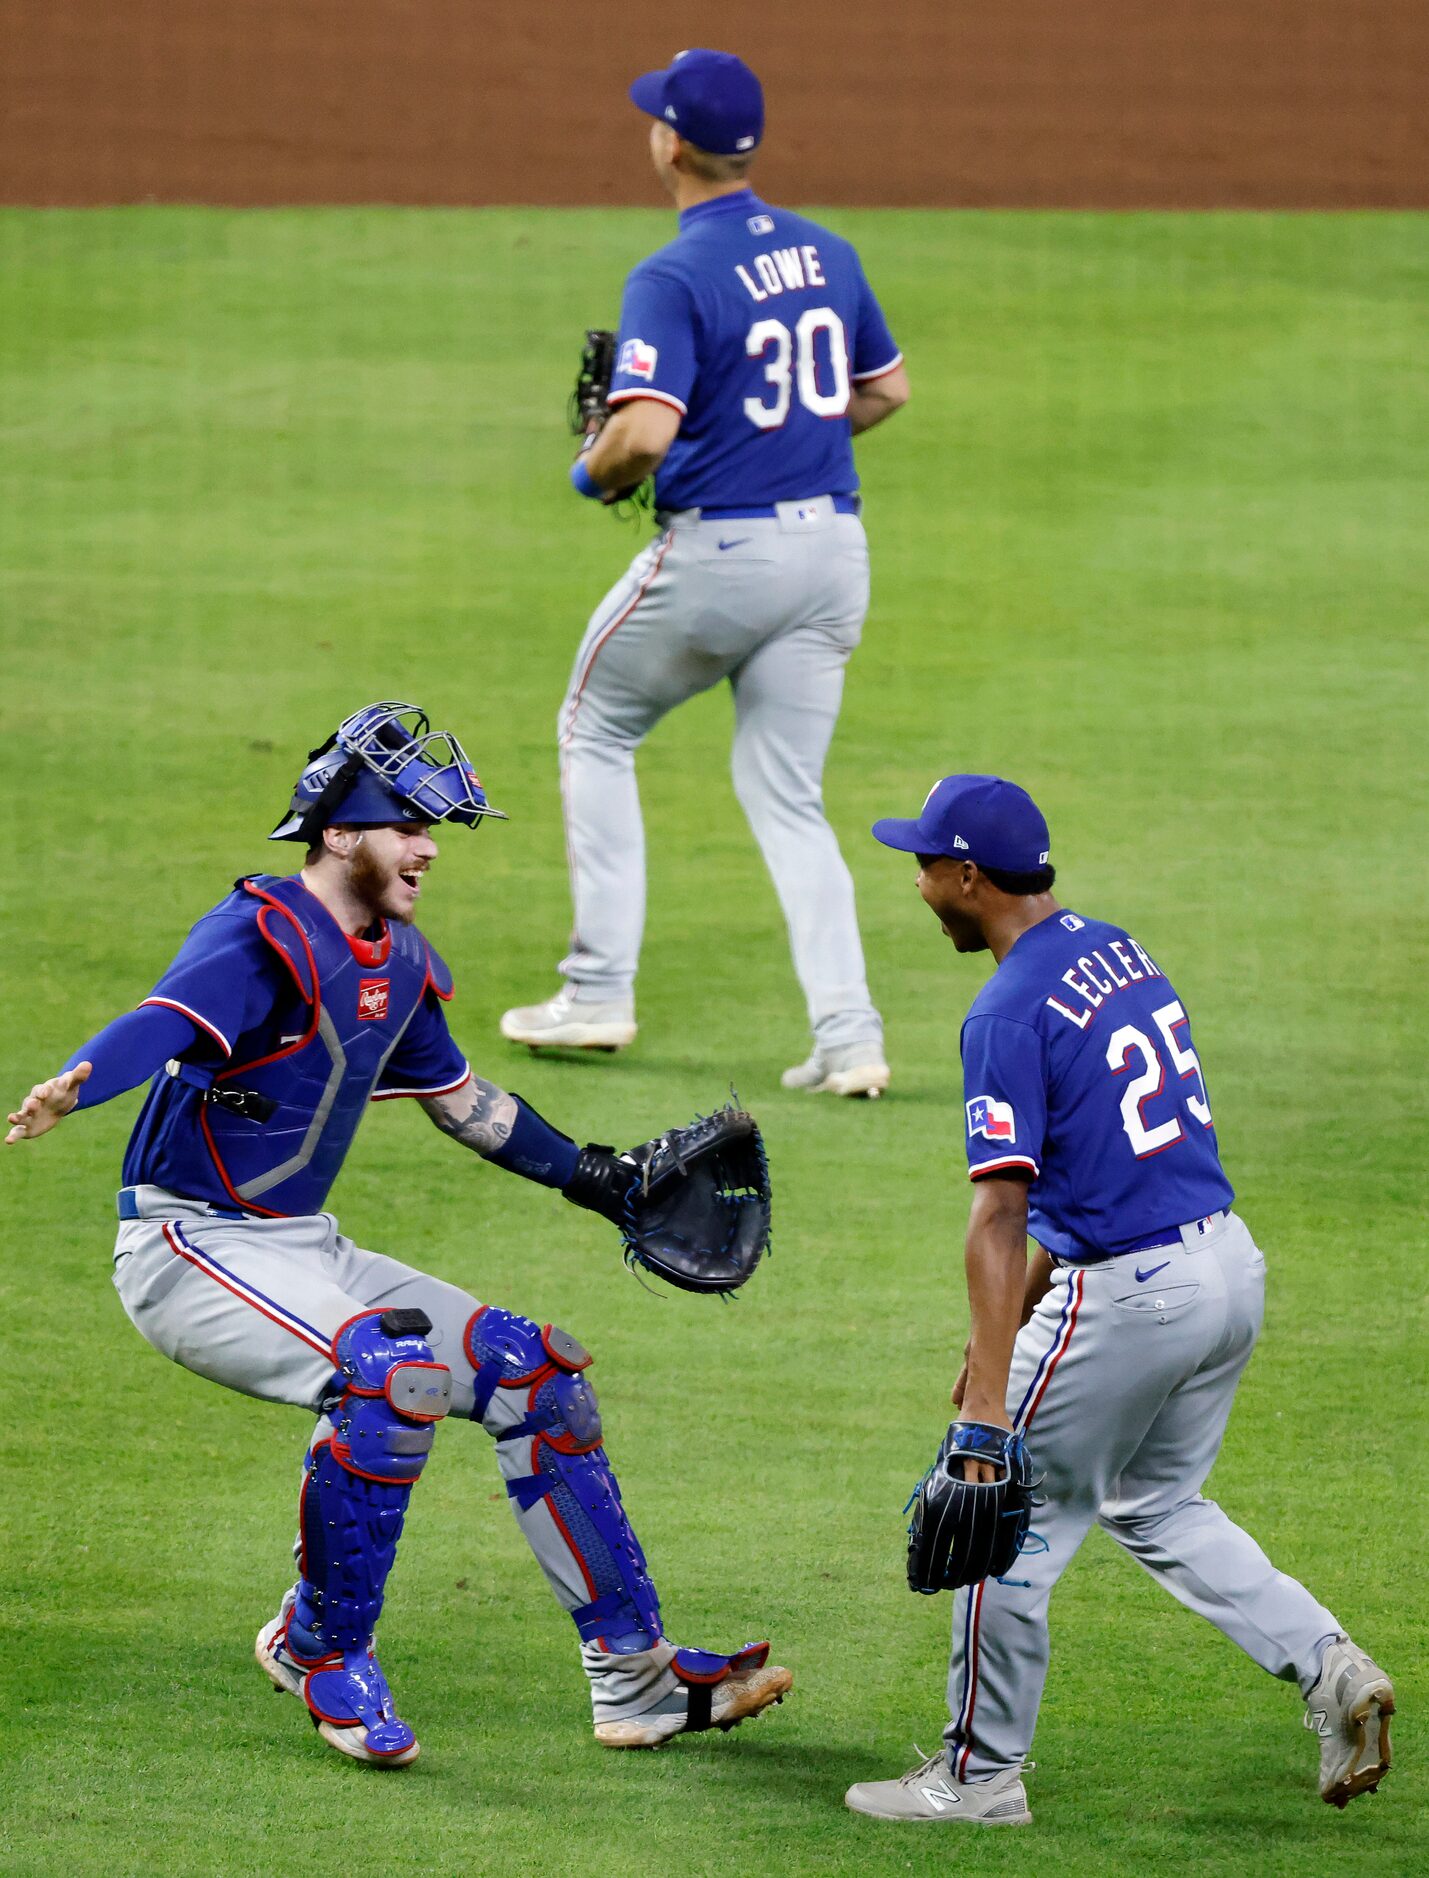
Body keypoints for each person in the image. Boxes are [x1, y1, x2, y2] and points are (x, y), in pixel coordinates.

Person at [6, 702, 790, 1767]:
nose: (427, 847)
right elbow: (164, 1022)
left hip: (299, 1245)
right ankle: (317, 1648)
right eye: (407, 823)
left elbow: (468, 1107)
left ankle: (636, 1679)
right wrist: (79, 1086)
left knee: (535, 1375)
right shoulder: (260, 934)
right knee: (389, 1374)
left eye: (434, 827)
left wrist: (597, 1179)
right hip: (188, 1249)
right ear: (340, 833)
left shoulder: (401, 961)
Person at [844, 774, 1393, 1824]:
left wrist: (985, 1404)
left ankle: (976, 1778)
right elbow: (1099, 1157)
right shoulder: (1115, 949)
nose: (915, 882)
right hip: (1227, 1265)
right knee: (1159, 1502)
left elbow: (1000, 1216)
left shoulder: (1002, 1013)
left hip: (1135, 1294)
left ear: (968, 877)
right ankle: (1329, 1667)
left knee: (999, 1520)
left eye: (923, 864)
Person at [501, 48, 908, 1099]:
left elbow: (637, 433)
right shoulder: (827, 251)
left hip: (723, 555)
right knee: (788, 797)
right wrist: (769, 440)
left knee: (595, 726)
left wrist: (593, 475)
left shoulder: (672, 274)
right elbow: (883, 392)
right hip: (832, 554)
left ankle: (594, 991)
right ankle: (848, 1036)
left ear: (669, 143)